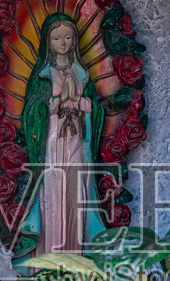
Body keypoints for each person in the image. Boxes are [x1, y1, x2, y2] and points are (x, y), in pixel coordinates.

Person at [20, 13, 106, 258]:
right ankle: (51, 256)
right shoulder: (43, 75)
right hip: (52, 142)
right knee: (54, 192)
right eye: (57, 38)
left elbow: (97, 108)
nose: (63, 43)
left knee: (76, 193)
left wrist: (80, 103)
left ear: (75, 40)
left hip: (77, 141)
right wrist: (55, 103)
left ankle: (75, 257)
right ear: (48, 41)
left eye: (68, 37)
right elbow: (31, 111)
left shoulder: (81, 73)